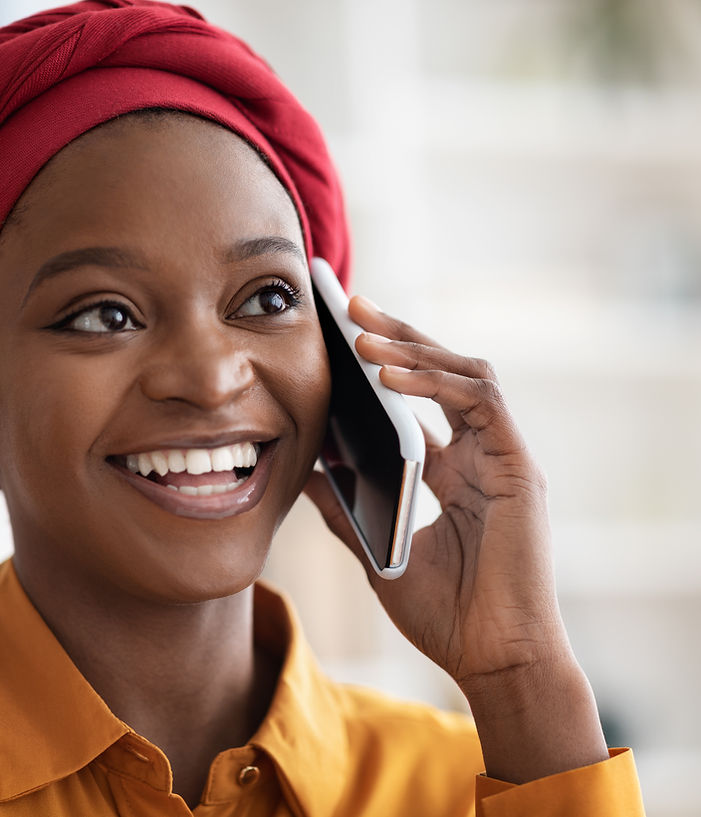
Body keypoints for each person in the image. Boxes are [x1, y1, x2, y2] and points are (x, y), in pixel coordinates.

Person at [0, 2, 645, 815]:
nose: (209, 377)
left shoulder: (489, 783)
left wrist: (520, 678)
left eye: (267, 297)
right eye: (104, 313)